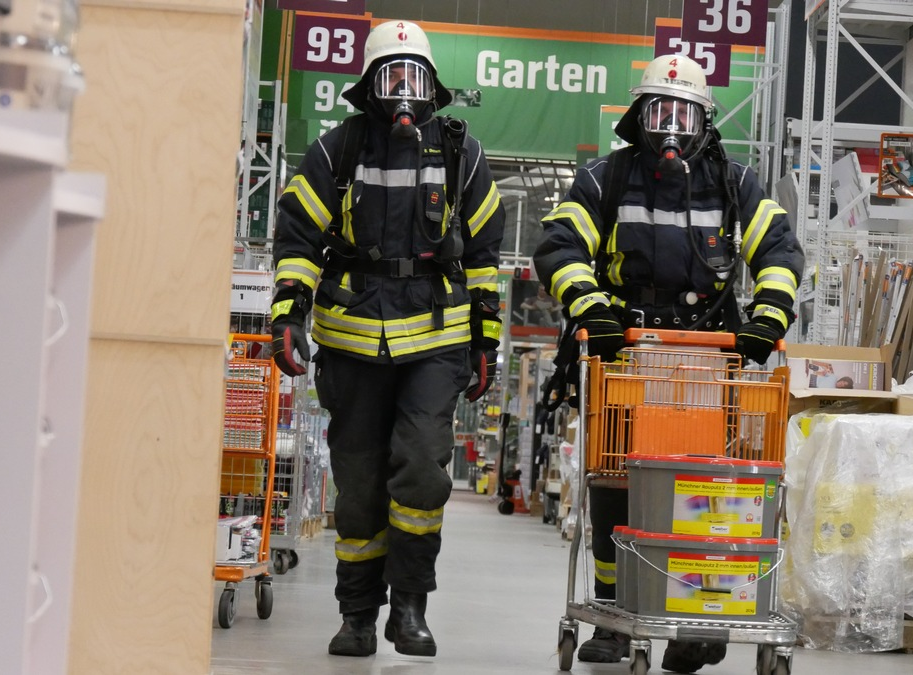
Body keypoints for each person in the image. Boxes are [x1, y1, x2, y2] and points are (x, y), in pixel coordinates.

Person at [532, 54, 804, 673]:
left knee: (707, 492)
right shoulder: (605, 179)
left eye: (684, 114)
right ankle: (610, 603)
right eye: (659, 112)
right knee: (616, 481)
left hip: (713, 360)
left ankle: (697, 615)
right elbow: (559, 245)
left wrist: (769, 317)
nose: (671, 129)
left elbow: (781, 250)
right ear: (639, 117)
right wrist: (592, 309)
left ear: (706, 121)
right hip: (627, 355)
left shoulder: (737, 184)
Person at [269, 20, 505, 659]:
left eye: (416, 77)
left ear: (433, 85)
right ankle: (355, 615)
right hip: (350, 338)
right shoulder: (335, 151)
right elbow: (297, 240)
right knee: (358, 478)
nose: (404, 90)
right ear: (368, 85)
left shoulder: (462, 155)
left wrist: (485, 342)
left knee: (424, 465)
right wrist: (288, 313)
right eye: (391, 76)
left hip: (435, 337)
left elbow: (485, 256)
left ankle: (410, 606)